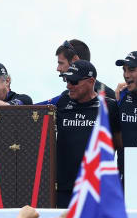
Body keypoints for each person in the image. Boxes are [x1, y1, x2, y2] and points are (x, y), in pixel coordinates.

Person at [43, 60, 122, 205]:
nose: (68, 85)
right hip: (64, 189)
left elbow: (118, 144)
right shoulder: (62, 102)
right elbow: (29, 111)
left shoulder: (109, 106)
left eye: (73, 81)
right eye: (67, 80)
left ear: (91, 81)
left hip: (97, 187)